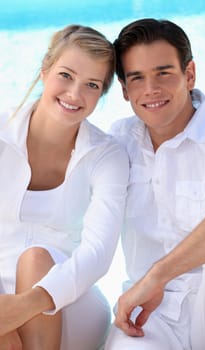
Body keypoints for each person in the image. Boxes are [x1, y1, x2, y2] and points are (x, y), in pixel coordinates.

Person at [104, 18, 205, 350]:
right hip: (151, 317)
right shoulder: (117, 143)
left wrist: (157, 276)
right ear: (123, 89)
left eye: (163, 73)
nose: (151, 90)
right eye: (137, 78)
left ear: (189, 74)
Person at [0, 24, 129, 350]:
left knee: (35, 258)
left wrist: (27, 304)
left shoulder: (106, 155)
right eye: (66, 75)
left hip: (70, 304)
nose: (75, 94)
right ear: (45, 71)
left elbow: (98, 254)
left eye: (92, 85)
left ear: (101, 94)